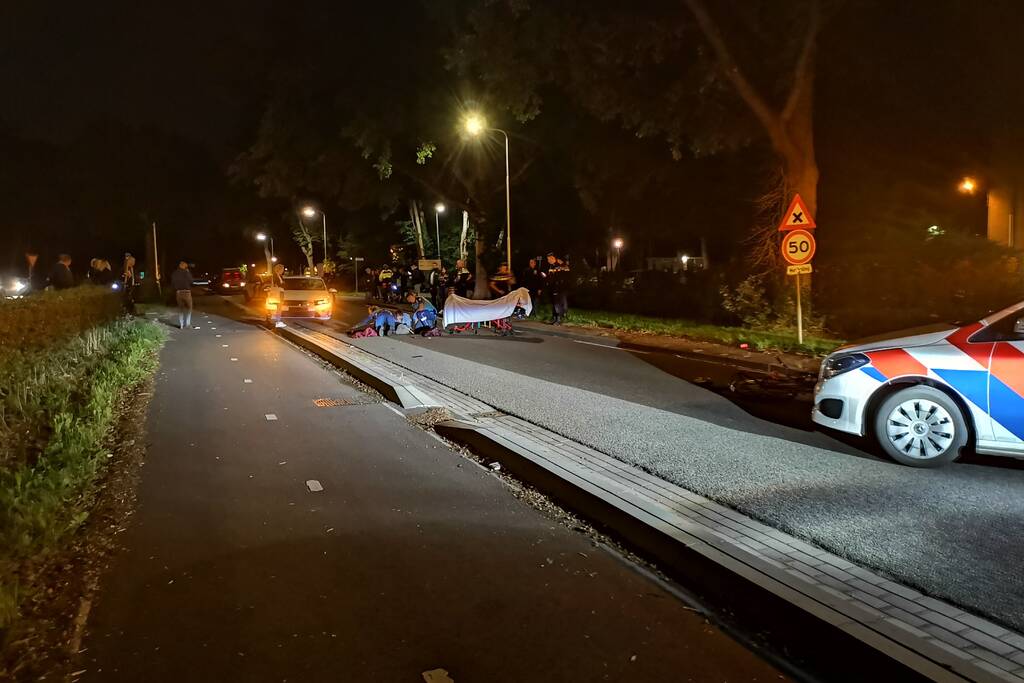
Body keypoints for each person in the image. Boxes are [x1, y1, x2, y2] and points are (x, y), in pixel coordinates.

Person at [545, 252, 570, 325]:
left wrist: (562, 265)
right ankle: (555, 318)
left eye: (549, 259)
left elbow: (565, 272)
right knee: (554, 303)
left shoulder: (559, 265)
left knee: (558, 303)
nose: (548, 260)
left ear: (553, 258)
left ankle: (558, 319)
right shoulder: (551, 266)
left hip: (559, 288)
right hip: (553, 287)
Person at [171, 260, 195, 329]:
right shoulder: (186, 272)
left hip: (178, 292)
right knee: (189, 307)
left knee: (180, 308)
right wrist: (188, 273)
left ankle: (181, 324)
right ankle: (187, 323)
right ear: (185, 266)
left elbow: (172, 283)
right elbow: (191, 281)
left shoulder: (174, 273)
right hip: (186, 292)